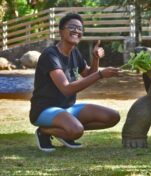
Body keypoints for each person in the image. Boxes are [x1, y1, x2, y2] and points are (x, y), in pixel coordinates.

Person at [29, 13, 120, 152]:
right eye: (72, 27)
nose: (77, 30)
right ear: (61, 32)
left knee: (112, 117)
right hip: (44, 109)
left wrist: (95, 59)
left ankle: (65, 128)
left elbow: (89, 74)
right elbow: (66, 89)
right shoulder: (50, 55)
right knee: (76, 131)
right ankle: (44, 131)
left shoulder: (75, 53)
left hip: (67, 108)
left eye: (80, 28)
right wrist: (101, 74)